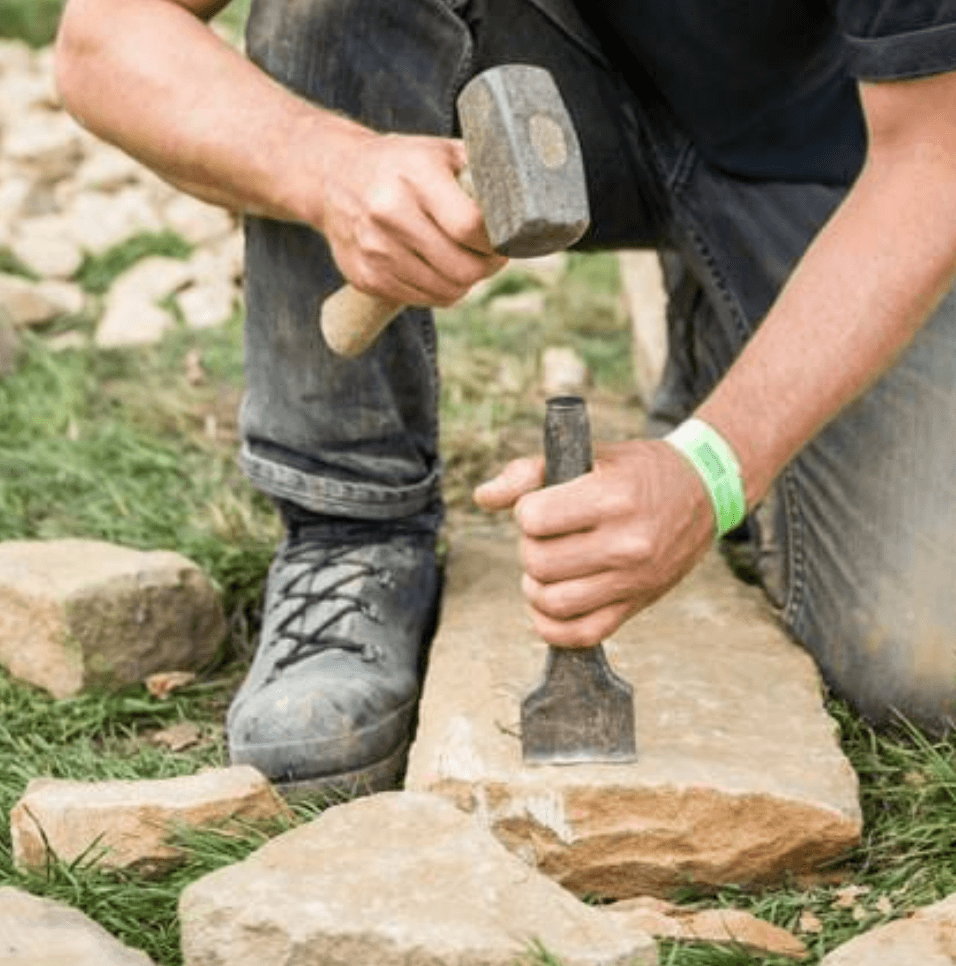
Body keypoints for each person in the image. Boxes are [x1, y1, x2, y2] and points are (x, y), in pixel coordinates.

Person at [55, 0, 956, 796]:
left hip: (842, 164)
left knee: (929, 662)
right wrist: (329, 170)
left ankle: (725, 332)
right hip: (553, 83)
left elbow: (938, 158)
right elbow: (102, 37)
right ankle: (349, 531)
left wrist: (714, 463)